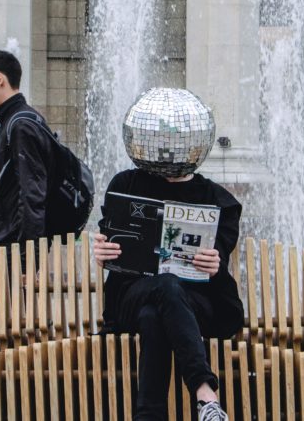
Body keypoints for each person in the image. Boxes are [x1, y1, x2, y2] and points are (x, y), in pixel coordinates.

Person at [94, 88, 244, 421]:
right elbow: (110, 238)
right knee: (164, 285)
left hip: (198, 304)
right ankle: (206, 396)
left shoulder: (218, 200)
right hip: (132, 294)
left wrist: (215, 262)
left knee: (155, 313)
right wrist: (102, 251)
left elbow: (218, 259)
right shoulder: (126, 185)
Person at [0, 50, 56, 278]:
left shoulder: (20, 125)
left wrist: (27, 259)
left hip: (12, 256)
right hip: (10, 254)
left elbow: (32, 194)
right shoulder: (21, 120)